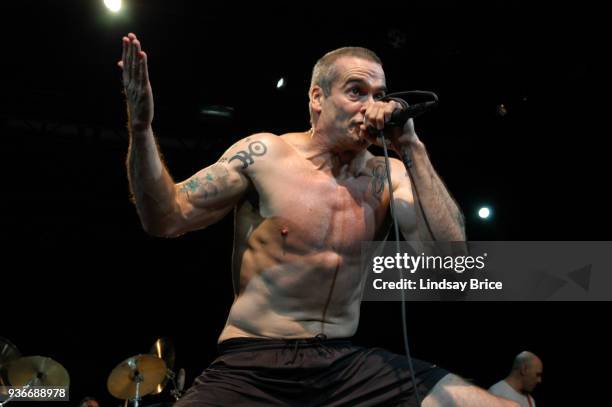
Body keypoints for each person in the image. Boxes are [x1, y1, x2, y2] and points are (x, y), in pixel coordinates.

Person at [118, 32, 518, 406]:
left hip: (343, 365)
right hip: (254, 362)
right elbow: (165, 218)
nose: (371, 106)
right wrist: (141, 127)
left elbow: (452, 272)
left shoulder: (389, 174)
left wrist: (411, 147)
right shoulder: (265, 155)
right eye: (356, 91)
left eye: (380, 95)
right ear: (317, 98)